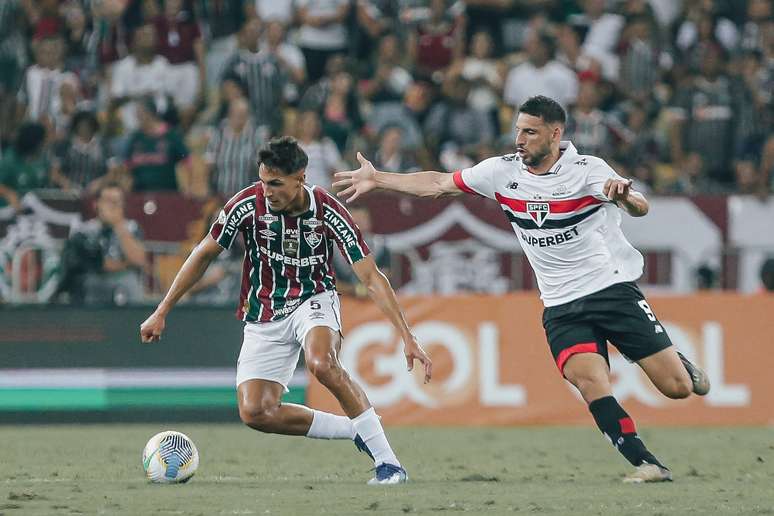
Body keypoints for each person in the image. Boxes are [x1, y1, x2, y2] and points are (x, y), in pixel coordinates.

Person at [333, 95, 711, 483]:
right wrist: (378, 178)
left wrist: (624, 196)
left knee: (678, 388)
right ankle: (646, 463)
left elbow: (640, 205)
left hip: (610, 289)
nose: (520, 139)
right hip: (560, 305)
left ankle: (677, 363)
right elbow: (438, 183)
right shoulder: (501, 172)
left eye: (530, 132)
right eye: (518, 131)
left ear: (555, 133)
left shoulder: (587, 169)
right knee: (589, 381)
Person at [140, 136, 432, 485]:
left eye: (275, 184)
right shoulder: (246, 205)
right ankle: (358, 430)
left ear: (301, 178)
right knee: (256, 412)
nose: (267, 191)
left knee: (321, 362)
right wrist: (162, 310)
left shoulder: (327, 210)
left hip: (314, 299)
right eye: (263, 182)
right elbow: (204, 252)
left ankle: (389, 464)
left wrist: (407, 335)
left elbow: (370, 276)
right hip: (264, 311)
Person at [58, 183, 146, 305]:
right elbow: (99, 265)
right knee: (89, 283)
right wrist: (125, 264)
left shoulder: (132, 227)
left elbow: (139, 260)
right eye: (108, 201)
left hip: (123, 278)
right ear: (97, 204)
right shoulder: (84, 230)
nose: (113, 206)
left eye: (117, 201)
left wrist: (118, 225)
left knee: (130, 281)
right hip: (93, 279)